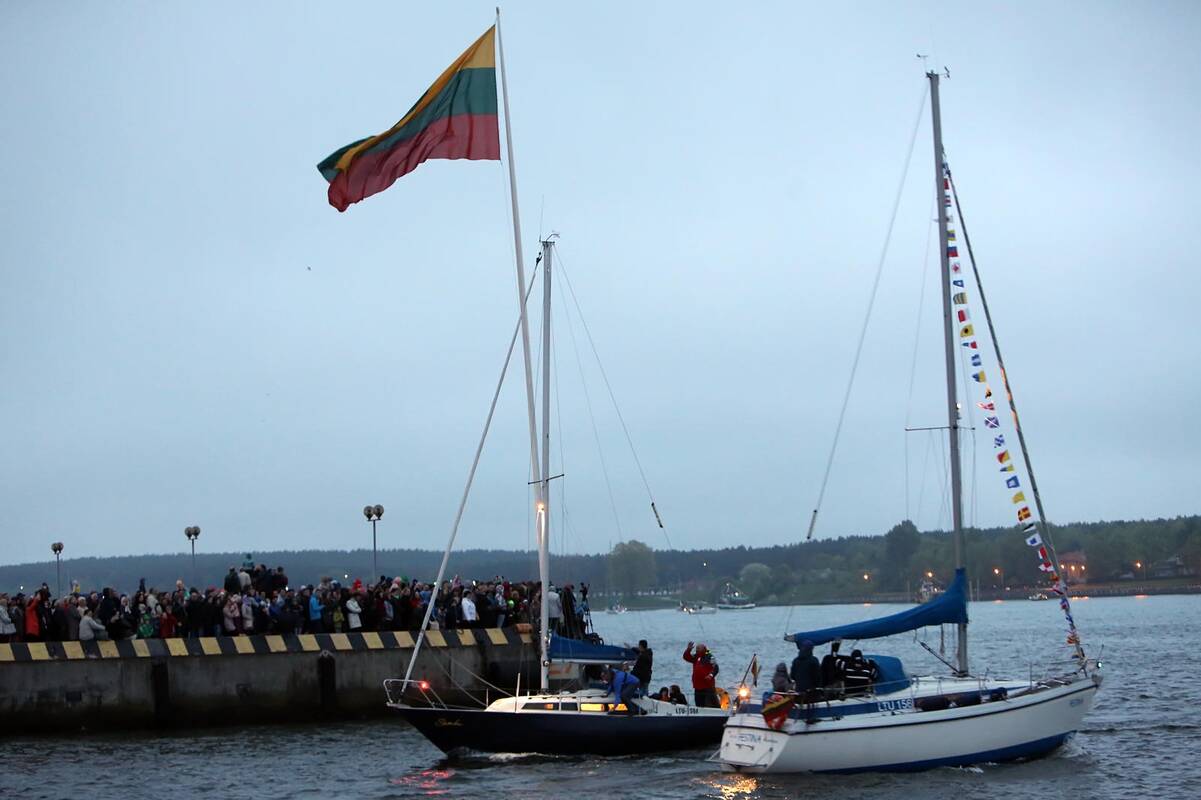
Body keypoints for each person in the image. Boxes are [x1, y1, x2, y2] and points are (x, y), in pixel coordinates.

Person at [683, 642, 720, 708]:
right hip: (697, 686)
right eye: (696, 648)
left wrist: (711, 675)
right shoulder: (696, 656)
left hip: (708, 686)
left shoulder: (710, 656)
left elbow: (716, 668)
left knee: (710, 705)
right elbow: (686, 657)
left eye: (698, 648)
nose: (696, 650)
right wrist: (688, 650)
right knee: (699, 706)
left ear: (703, 648)